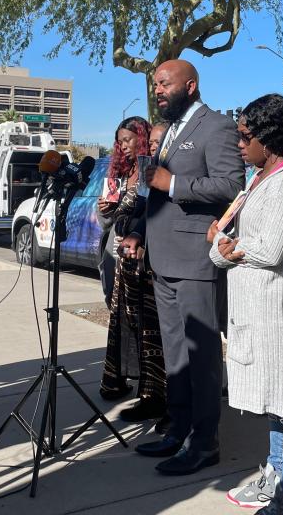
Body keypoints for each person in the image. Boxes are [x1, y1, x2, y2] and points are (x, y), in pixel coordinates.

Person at [122, 60, 243, 476]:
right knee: (175, 353)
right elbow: (151, 190)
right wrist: (137, 230)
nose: (157, 90)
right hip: (162, 257)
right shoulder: (169, 130)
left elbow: (231, 185)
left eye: (164, 83)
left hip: (195, 260)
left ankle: (205, 441)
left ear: (190, 86)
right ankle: (179, 428)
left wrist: (172, 184)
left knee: (201, 354)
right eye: (155, 84)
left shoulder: (217, 127)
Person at [211, 95, 283, 515]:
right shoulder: (256, 180)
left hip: (279, 308)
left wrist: (225, 246)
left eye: (245, 136)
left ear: (268, 139)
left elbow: (269, 249)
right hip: (256, 308)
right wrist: (224, 248)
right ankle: (275, 476)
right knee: (274, 402)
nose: (239, 143)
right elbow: (223, 239)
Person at [97, 116, 167, 423]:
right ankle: (120, 379)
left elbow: (153, 213)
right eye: (120, 141)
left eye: (129, 139)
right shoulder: (122, 174)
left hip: (144, 261)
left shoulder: (151, 172)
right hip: (119, 259)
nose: (124, 146)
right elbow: (108, 223)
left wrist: (137, 235)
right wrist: (105, 211)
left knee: (147, 325)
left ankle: (152, 391)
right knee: (124, 320)